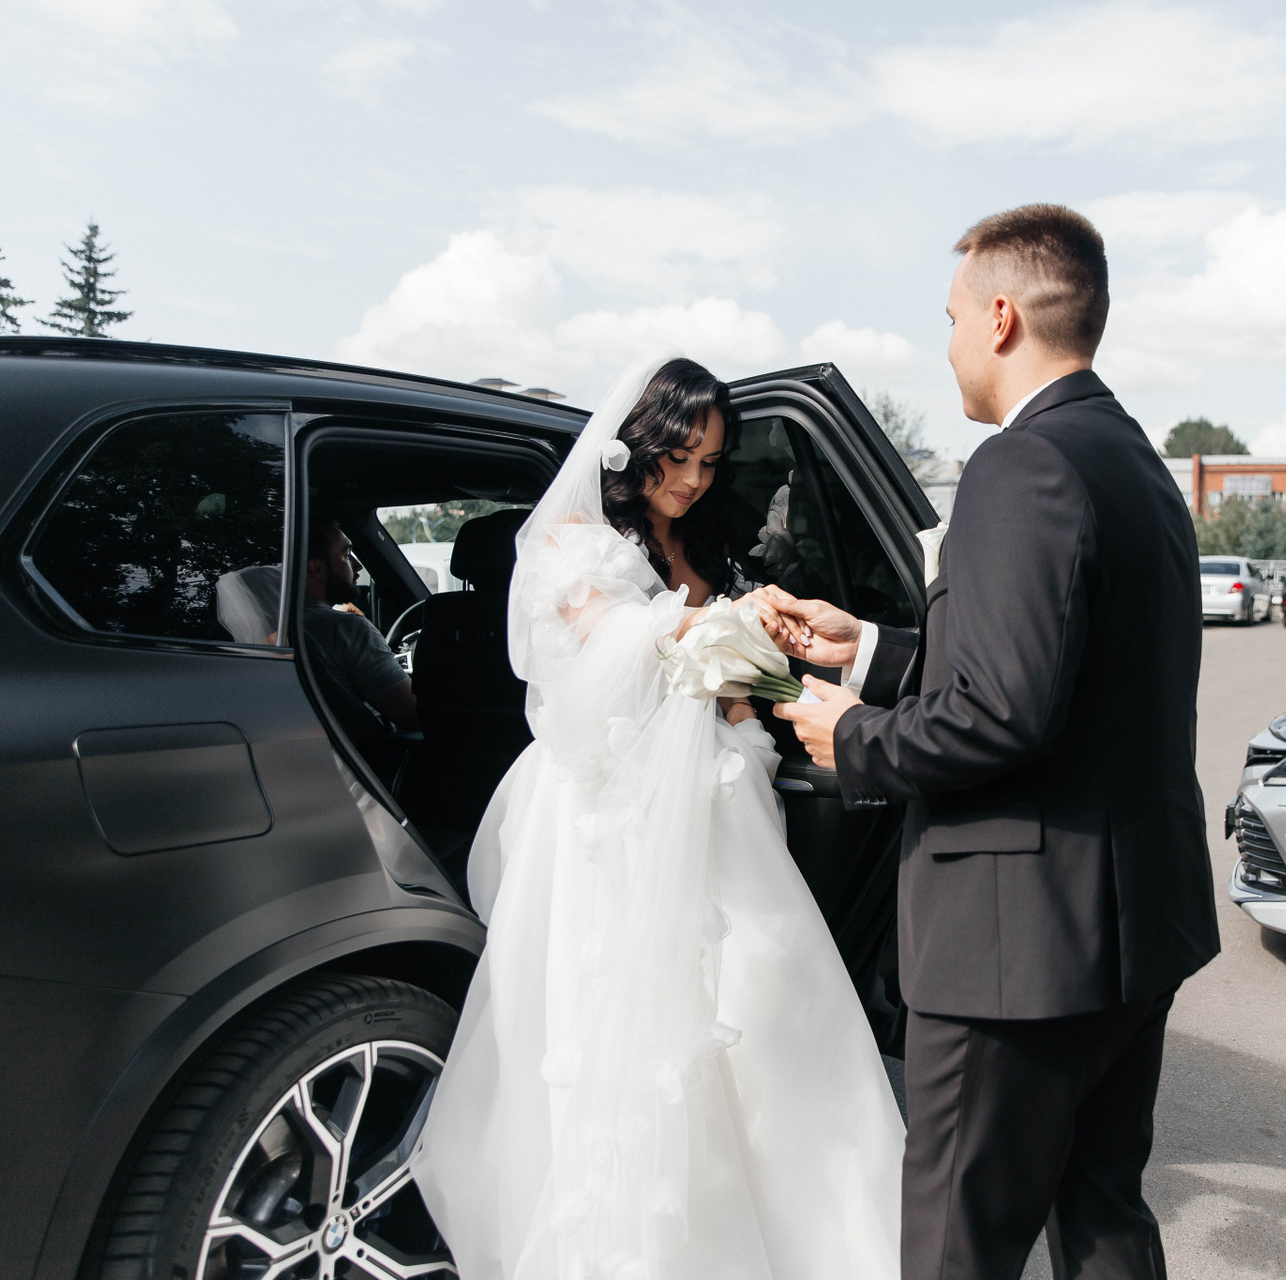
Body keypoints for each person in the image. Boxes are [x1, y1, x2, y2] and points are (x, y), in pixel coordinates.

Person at [769, 205, 1219, 1280]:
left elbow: (1003, 711)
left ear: (1002, 316)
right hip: (1129, 925)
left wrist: (852, 735)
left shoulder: (1022, 464)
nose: (950, 344)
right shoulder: (1134, 462)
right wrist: (872, 648)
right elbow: (1067, 667)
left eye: (952, 318)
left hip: (1016, 951)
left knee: (954, 1246)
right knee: (1103, 1215)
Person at [416, 356, 902, 1280]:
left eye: (710, 463)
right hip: (606, 815)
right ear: (635, 447)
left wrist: (752, 703)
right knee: (615, 1023)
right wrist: (721, 624)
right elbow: (610, 647)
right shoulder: (571, 544)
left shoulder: (702, 545)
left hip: (715, 798)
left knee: (762, 1001)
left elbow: (724, 685)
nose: (691, 480)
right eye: (677, 457)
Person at [303, 517, 419, 732]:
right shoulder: (345, 628)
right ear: (317, 568)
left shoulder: (280, 626)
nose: (358, 565)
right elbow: (415, 715)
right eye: (346, 555)